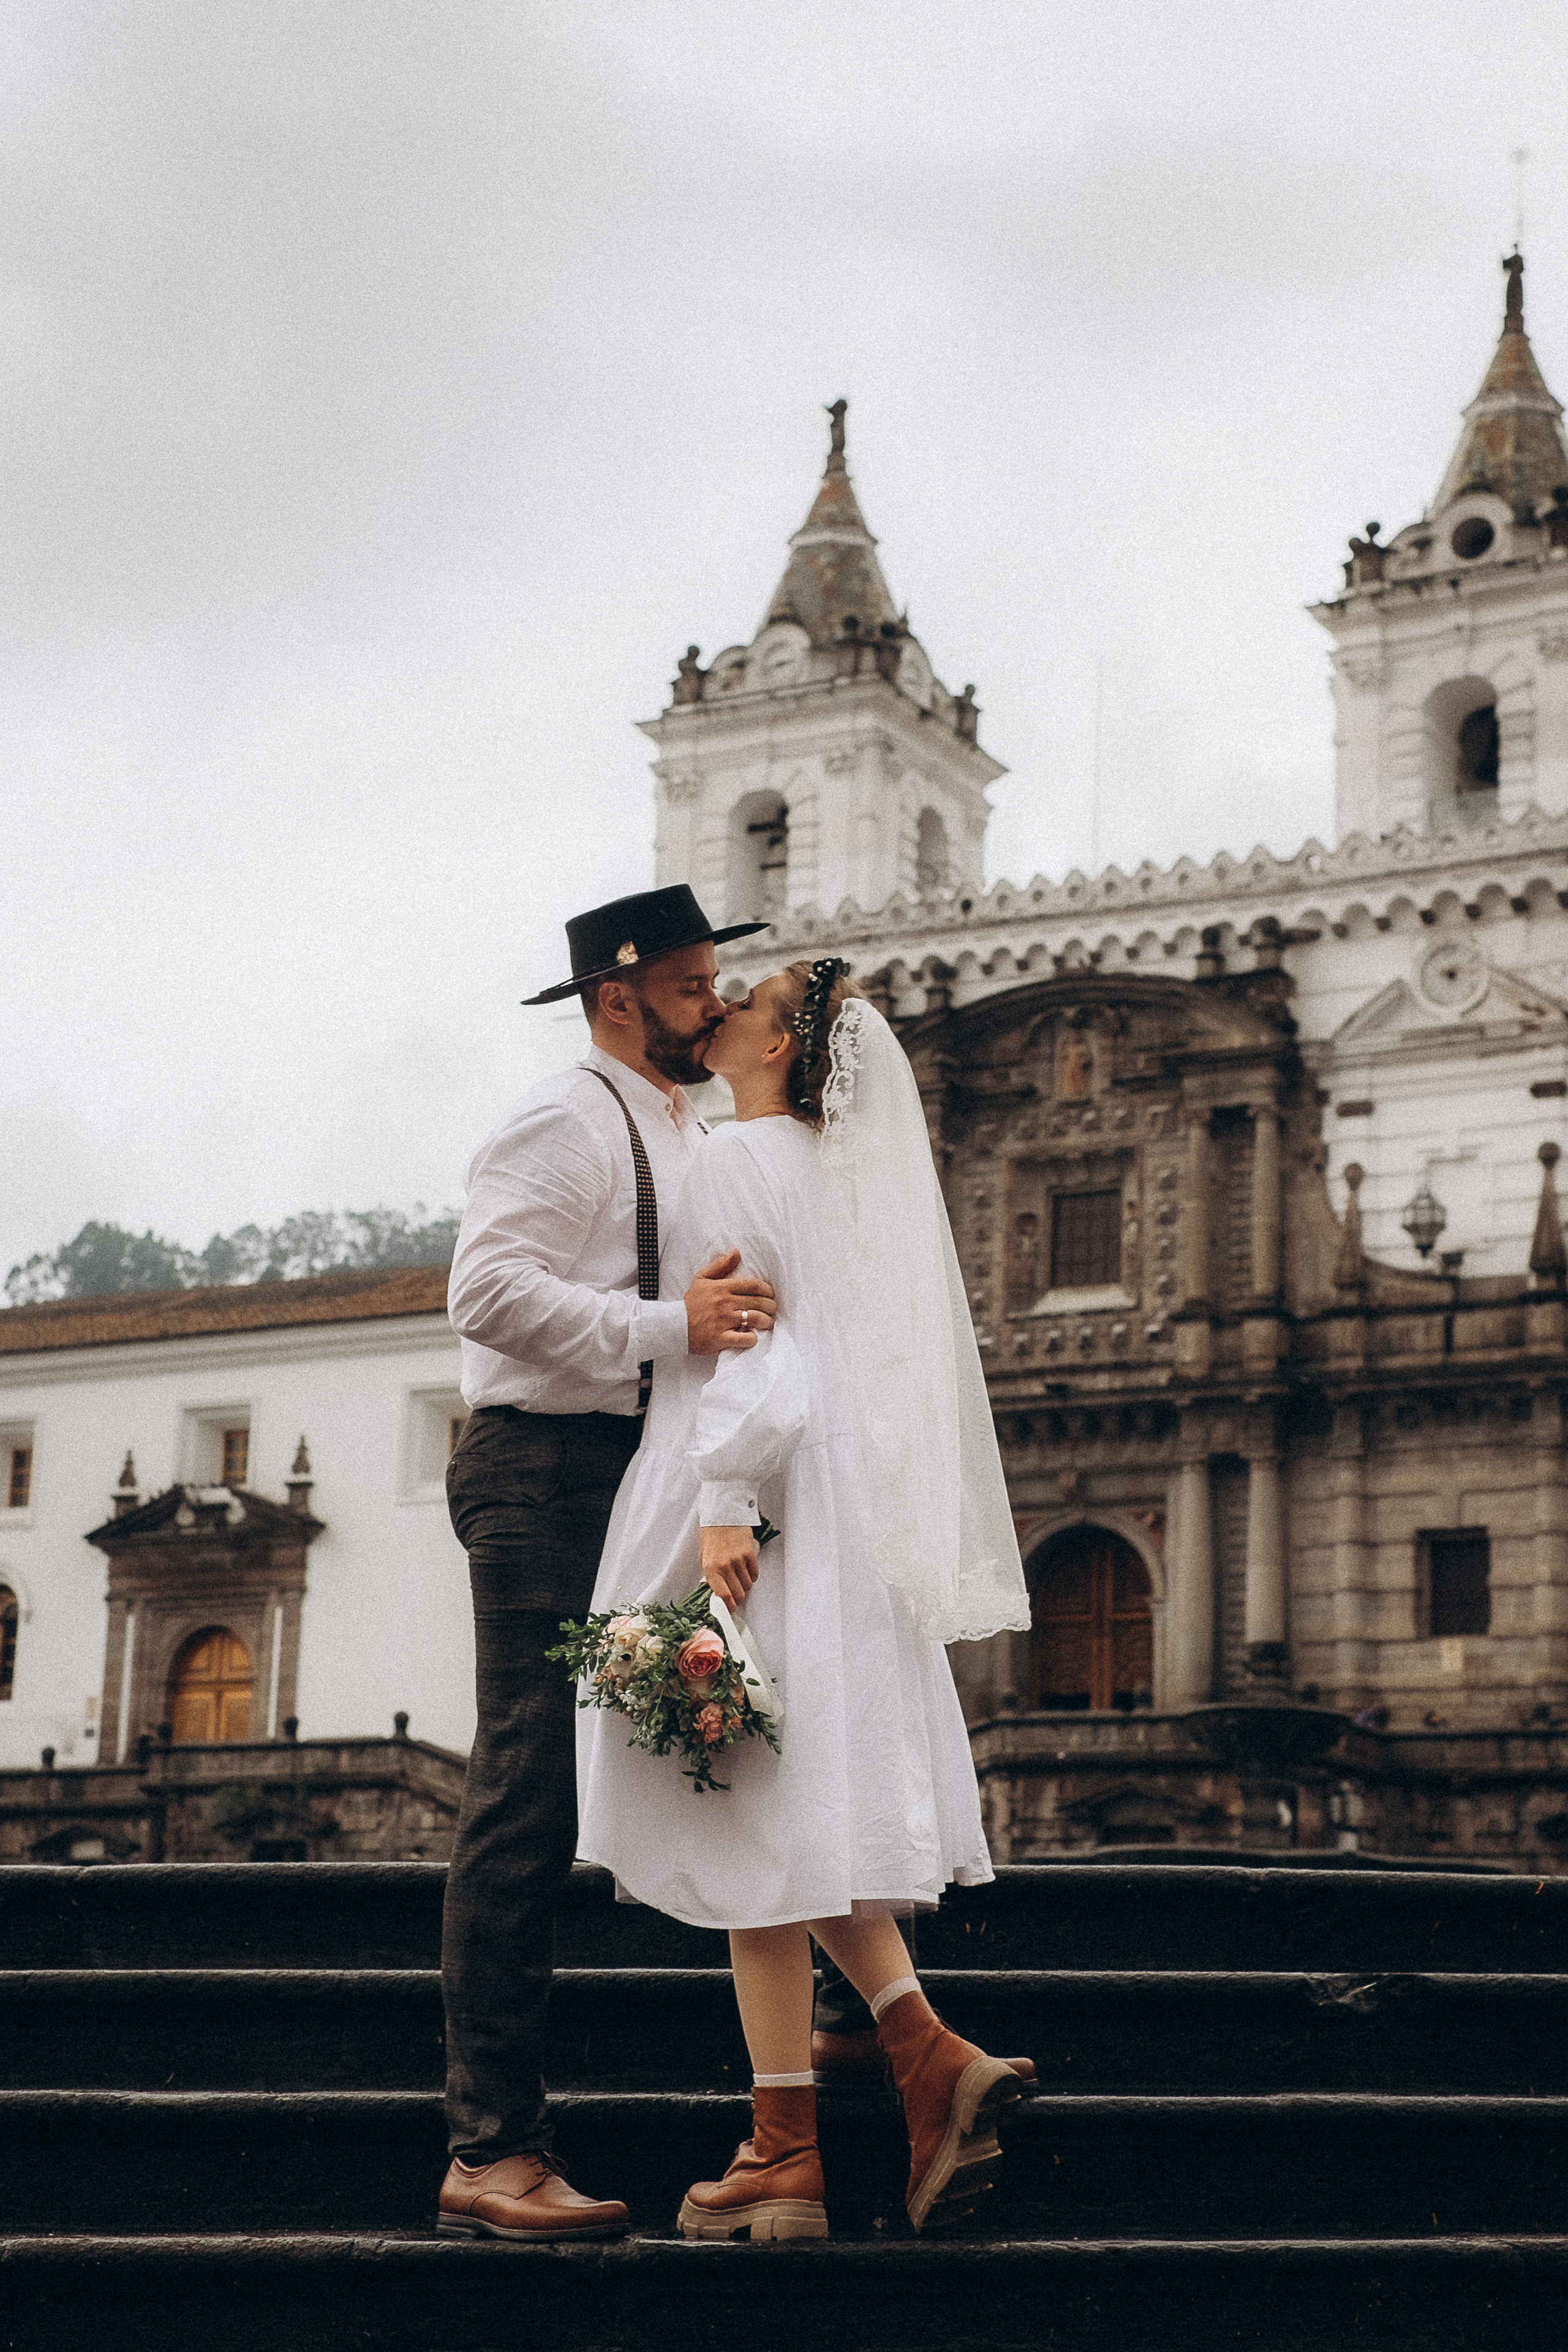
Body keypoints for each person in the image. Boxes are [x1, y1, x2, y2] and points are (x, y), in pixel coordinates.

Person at [576, 959, 1035, 2239]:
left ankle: (787, 2154)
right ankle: (918, 2061)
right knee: (793, 1802)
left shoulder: (738, 1154)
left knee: (748, 1814)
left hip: (763, 1492)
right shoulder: (836, 1176)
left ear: (781, 1051)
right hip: (841, 1508)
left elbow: (757, 1340)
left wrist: (721, 1493)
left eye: (747, 1003)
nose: (717, 1008)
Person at [435, 883, 778, 2245]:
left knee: (714, 1732)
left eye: (712, 985)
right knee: (527, 1790)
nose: (712, 1007)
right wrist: (671, 1322)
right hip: (540, 1476)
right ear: (617, 994)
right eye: (693, 986)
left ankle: (825, 2041)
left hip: (640, 1482)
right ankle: (490, 2151)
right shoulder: (560, 1117)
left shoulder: (684, 1121)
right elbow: (486, 1295)